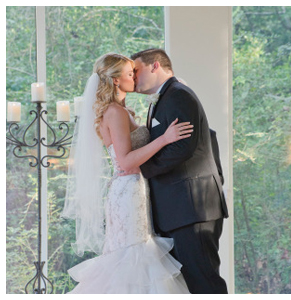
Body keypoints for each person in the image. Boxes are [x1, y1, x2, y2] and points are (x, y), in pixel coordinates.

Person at [62, 53, 194, 294]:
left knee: (137, 253)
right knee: (132, 255)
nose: (135, 77)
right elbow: (124, 163)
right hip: (127, 191)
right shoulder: (115, 112)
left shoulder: (123, 111)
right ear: (115, 80)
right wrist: (165, 139)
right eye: (129, 73)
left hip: (134, 188)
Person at [130, 48, 229, 294]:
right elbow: (209, 139)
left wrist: (143, 169)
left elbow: (183, 147)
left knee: (204, 283)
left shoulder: (178, 95)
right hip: (180, 209)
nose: (132, 78)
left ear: (155, 66)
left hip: (192, 209)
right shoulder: (165, 98)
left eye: (136, 70)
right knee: (187, 286)